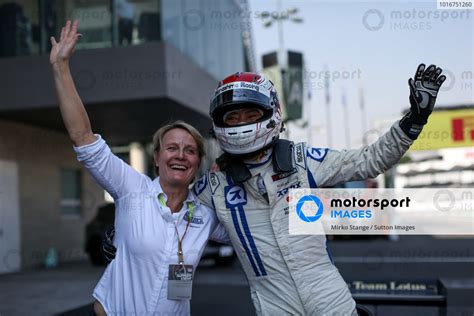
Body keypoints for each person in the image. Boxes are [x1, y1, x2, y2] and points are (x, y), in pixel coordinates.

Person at [103, 52, 446, 315]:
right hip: (273, 306)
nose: (240, 123)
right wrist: (125, 232)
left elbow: (371, 159)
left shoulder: (303, 160)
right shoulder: (213, 186)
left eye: (250, 114)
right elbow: (173, 207)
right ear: (218, 125)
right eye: (232, 117)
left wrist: (415, 119)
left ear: (271, 114)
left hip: (330, 299)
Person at [50, 20, 228, 315]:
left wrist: (331, 215)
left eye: (190, 150)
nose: (180, 155)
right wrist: (60, 68)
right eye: (172, 148)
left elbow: (262, 224)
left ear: (198, 162)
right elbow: (84, 138)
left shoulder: (206, 213)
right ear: (157, 157)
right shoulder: (132, 189)